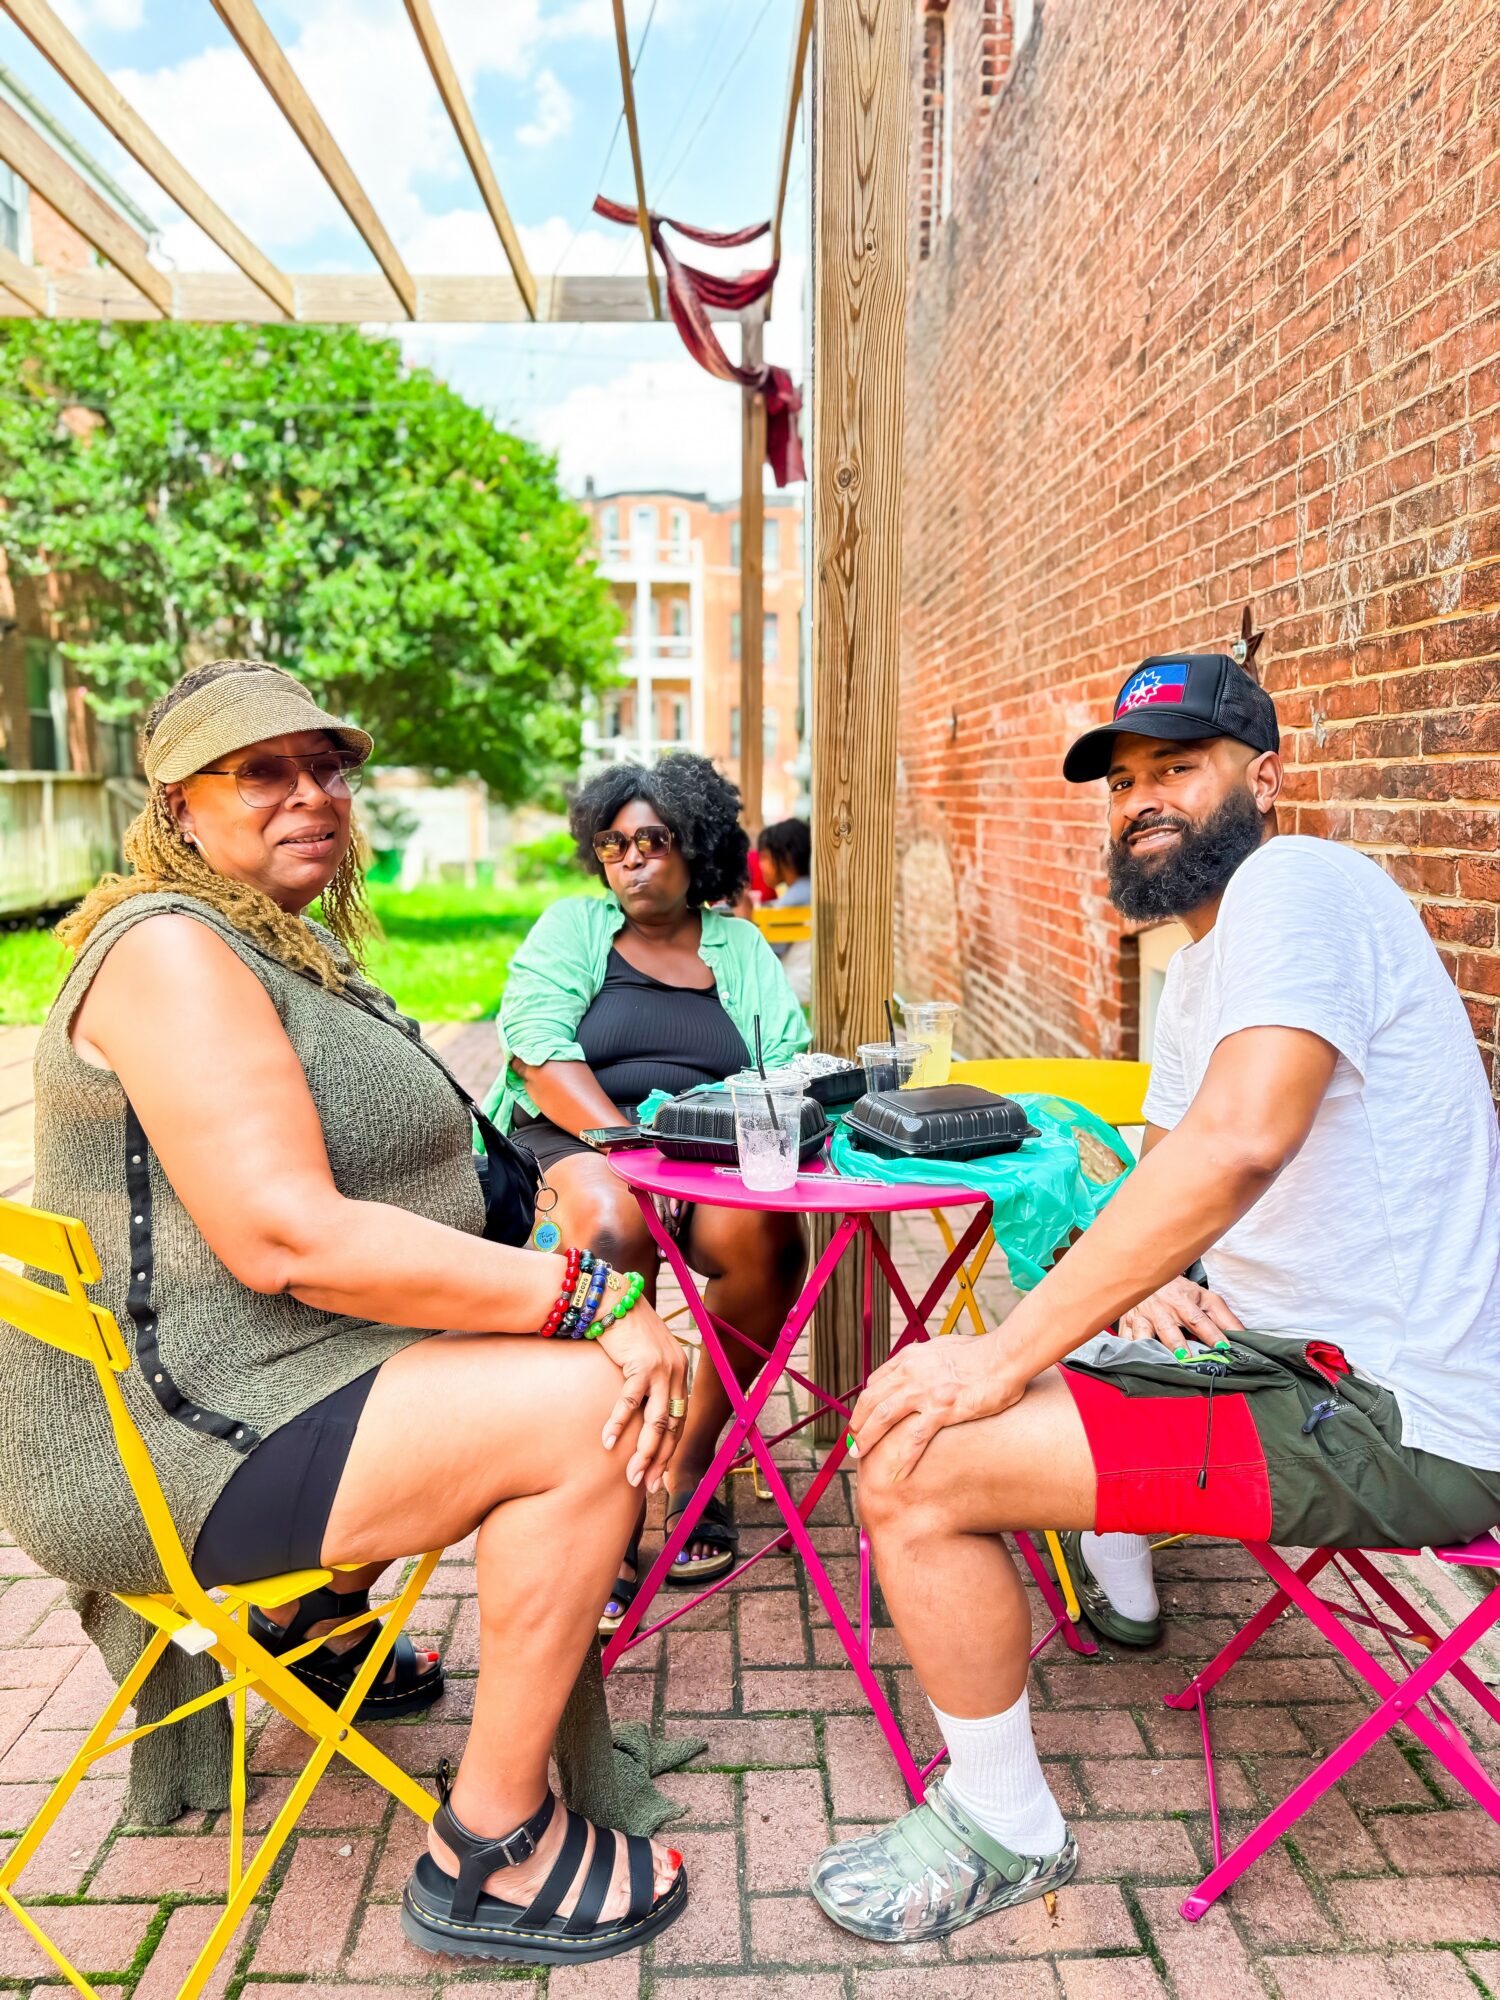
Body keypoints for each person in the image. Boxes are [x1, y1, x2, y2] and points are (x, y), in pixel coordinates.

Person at [0, 660, 690, 1969]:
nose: (311, 793)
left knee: (564, 1353)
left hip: (247, 1374)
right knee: (596, 1403)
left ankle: (308, 1628)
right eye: (261, 770)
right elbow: (289, 1236)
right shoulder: (167, 953)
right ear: (178, 804)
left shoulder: (265, 940)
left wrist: (534, 1213)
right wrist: (586, 1295)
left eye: (325, 767)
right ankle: (492, 1847)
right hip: (170, 1438)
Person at [809, 646, 1500, 1943]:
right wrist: (1166, 1274)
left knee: (915, 1455)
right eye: (1123, 781)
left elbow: (1240, 1143)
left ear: (1265, 778)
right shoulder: (1198, 971)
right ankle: (1113, 1589)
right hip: (1279, 1357)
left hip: (1400, 1414)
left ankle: (1004, 1823)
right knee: (923, 1395)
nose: (1141, 801)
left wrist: (1005, 1353)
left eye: (1176, 767)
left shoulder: (1298, 883)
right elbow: (1178, 1174)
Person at [489, 755, 810, 1626]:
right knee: (610, 1228)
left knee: (766, 1240)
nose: (630, 859)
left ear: (696, 847)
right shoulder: (573, 928)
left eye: (653, 840)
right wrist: (627, 1147)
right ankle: (613, 1491)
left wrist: (690, 1142)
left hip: (704, 1144)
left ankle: (693, 1462)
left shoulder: (740, 947)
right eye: (613, 843)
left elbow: (783, 1060)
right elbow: (535, 1046)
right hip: (579, 1133)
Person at [756, 818, 813, 1007]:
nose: (761, 865)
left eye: (765, 857)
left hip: (797, 992)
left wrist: (744, 918)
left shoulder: (795, 899)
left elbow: (766, 952)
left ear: (787, 857)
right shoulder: (809, 890)